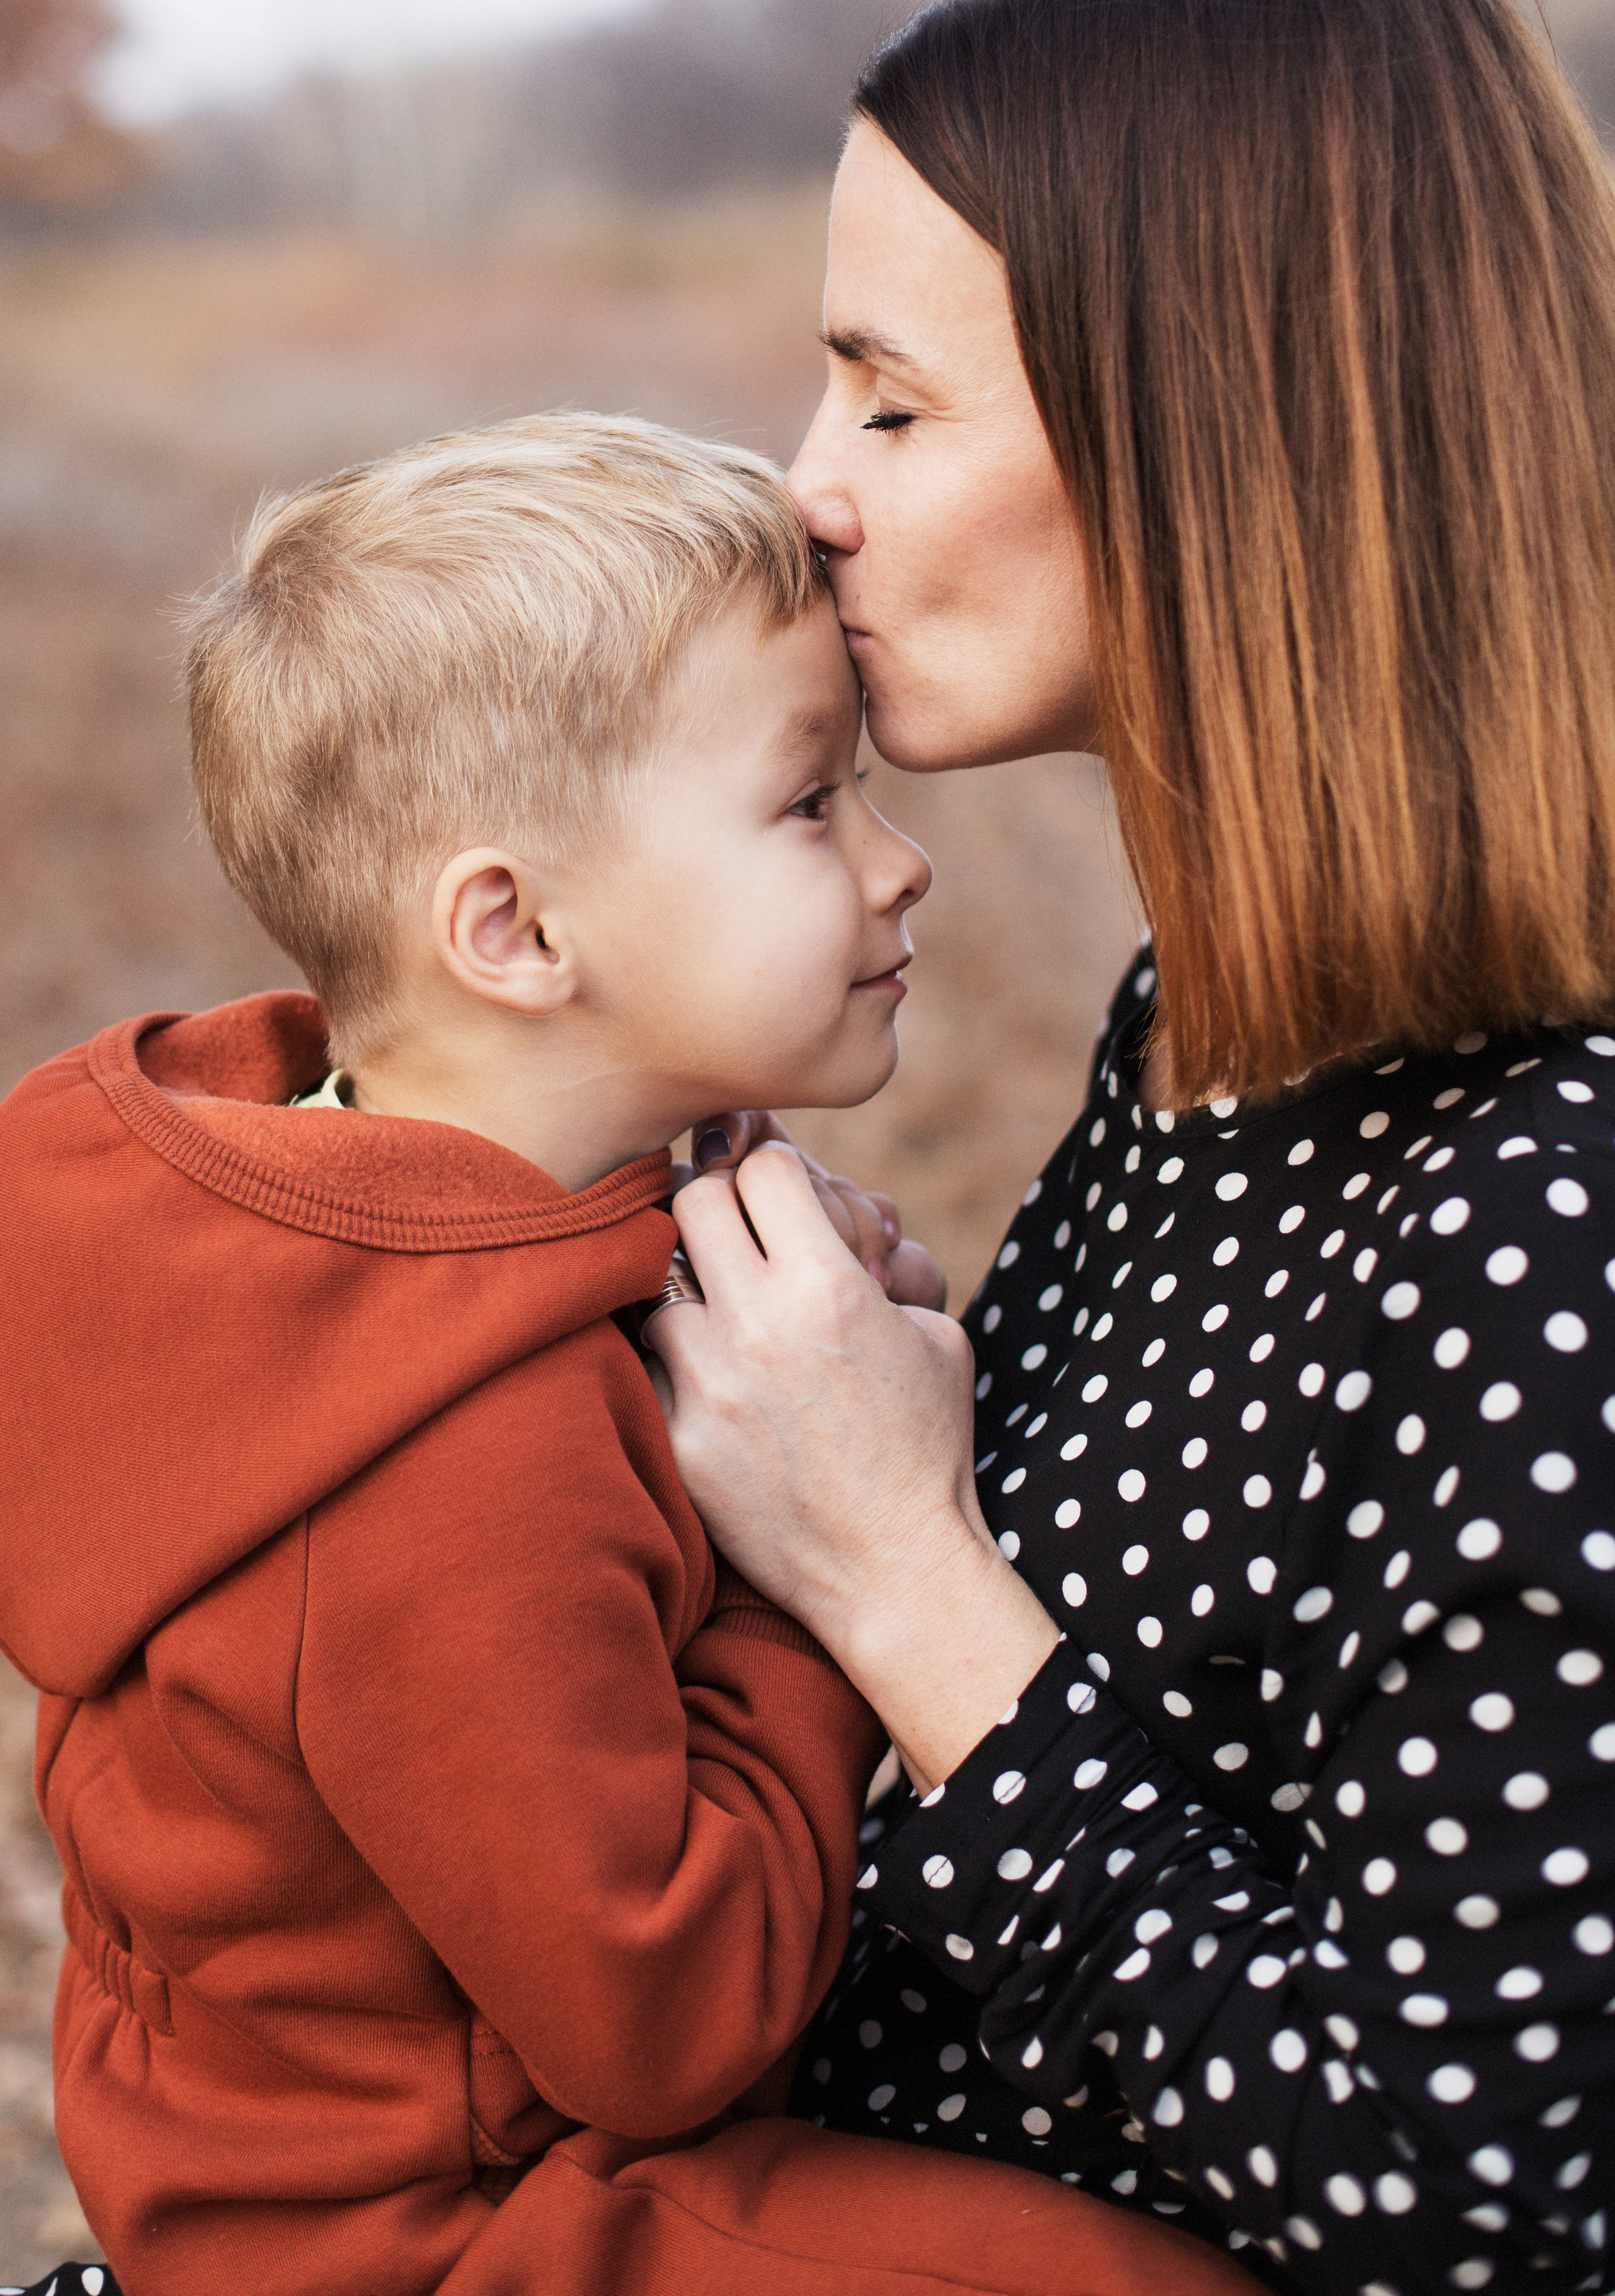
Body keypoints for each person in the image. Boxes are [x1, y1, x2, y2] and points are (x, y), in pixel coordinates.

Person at [0, 415, 1260, 2296]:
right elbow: (671, 2025)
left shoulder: (355, 1233)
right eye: (806, 804)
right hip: (425, 2234)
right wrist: (818, 1561)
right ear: (520, 930)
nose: (902, 863)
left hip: (291, 2160)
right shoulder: (447, 1454)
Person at [642, 4, 1615, 2293]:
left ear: (1227, 426)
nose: (810, 484)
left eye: (891, 393)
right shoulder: (1215, 1035)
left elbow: (1476, 2200)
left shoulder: (1549, 1198)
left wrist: (898, 1570)